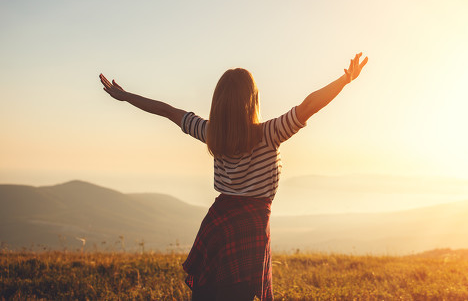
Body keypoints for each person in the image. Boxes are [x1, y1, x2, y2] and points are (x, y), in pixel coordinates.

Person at [99, 52, 368, 300]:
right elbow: (309, 105)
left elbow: (169, 111)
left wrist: (126, 97)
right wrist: (345, 79)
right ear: (253, 100)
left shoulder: (209, 132)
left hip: (217, 226)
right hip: (249, 232)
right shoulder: (269, 134)